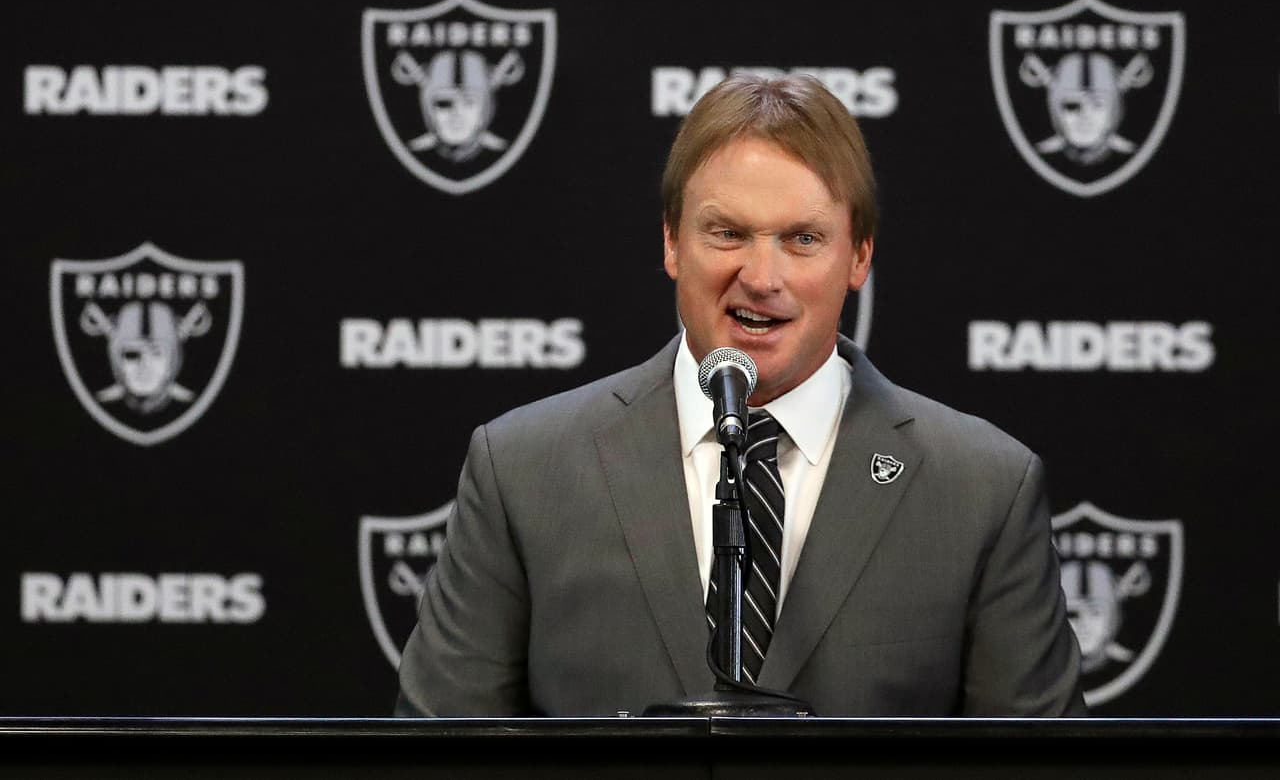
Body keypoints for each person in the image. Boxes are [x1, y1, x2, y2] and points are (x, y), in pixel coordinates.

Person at [395, 73, 1086, 717]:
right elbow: (436, 767)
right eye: (727, 233)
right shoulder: (523, 470)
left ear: (860, 255)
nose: (762, 276)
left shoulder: (981, 488)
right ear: (672, 242)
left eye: (803, 239)